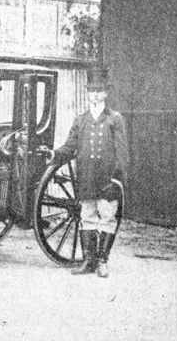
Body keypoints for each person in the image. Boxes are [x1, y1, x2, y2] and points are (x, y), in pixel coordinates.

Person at [46, 67, 129, 278]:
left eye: (99, 90)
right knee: (88, 218)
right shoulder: (80, 119)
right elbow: (69, 148)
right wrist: (53, 154)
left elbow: (122, 154)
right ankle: (88, 261)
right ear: (88, 93)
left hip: (107, 179)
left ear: (105, 93)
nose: (95, 94)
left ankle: (102, 261)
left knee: (107, 218)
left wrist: (117, 180)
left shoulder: (114, 119)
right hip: (87, 178)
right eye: (91, 90)